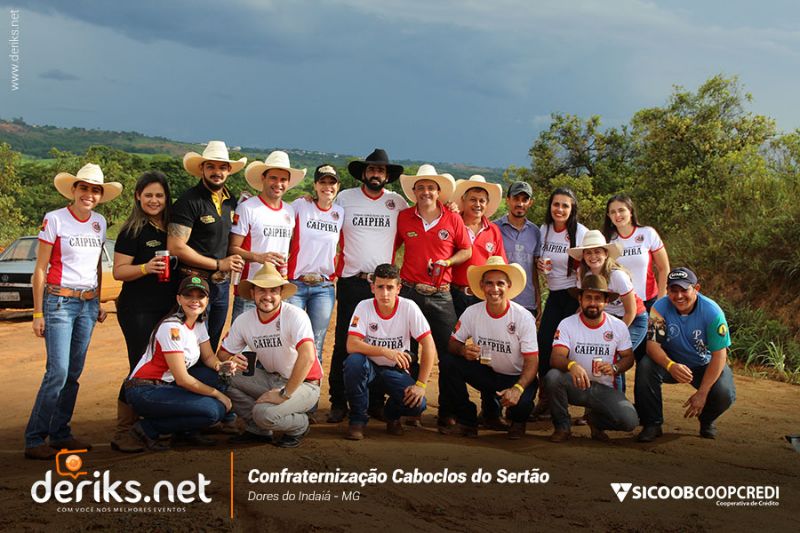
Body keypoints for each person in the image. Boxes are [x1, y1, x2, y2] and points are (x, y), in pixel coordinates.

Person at [24, 164, 122, 460]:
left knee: (74, 372)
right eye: (84, 188)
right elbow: (40, 268)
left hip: (88, 304)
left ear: (101, 195)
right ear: (74, 190)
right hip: (59, 302)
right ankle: (34, 437)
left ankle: (60, 432)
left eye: (95, 190)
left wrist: (98, 300)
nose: (89, 194)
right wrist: (37, 313)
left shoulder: (99, 222)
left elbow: (96, 265)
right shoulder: (55, 219)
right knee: (58, 371)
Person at [327, 148, 408, 423]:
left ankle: (375, 402)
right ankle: (338, 401)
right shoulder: (345, 198)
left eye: (381, 170)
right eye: (371, 169)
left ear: (387, 176)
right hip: (352, 280)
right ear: (363, 173)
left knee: (378, 340)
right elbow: (325, 216)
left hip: (383, 285)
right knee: (344, 341)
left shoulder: (396, 202)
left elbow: (413, 225)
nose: (376, 174)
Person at [126, 276, 243, 451]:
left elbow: (208, 357)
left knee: (219, 377)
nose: (195, 301)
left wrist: (221, 366)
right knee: (214, 410)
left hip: (167, 385)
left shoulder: (198, 324)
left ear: (207, 301)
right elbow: (182, 379)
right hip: (146, 390)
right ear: (179, 299)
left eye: (200, 296)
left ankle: (187, 432)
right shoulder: (172, 328)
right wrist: (219, 395)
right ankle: (147, 428)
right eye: (189, 295)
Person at [396, 165, 472, 428]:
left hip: (441, 294)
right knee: (409, 353)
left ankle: (447, 410)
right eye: (421, 187)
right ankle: (412, 409)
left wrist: (448, 262)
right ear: (414, 191)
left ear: (438, 192)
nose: (426, 192)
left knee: (448, 353)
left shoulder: (453, 218)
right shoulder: (404, 217)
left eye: (431, 187)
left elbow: (466, 250)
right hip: (409, 292)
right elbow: (392, 246)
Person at [221, 263, 323, 448]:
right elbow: (222, 354)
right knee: (223, 376)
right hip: (271, 378)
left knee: (263, 413)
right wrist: (230, 360)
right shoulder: (244, 320)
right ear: (252, 293)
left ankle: (300, 424)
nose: (267, 296)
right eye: (261, 290)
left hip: (305, 384)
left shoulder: (295, 315)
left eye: (273, 291)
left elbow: (308, 357)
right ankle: (258, 430)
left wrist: (285, 394)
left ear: (281, 293)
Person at [111, 171, 177, 453]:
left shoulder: (173, 228)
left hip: (167, 308)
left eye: (159, 195)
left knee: (161, 367)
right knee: (139, 366)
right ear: (138, 196)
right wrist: (145, 267)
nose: (154, 200)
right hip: (137, 309)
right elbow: (118, 271)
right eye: (148, 195)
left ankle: (148, 426)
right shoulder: (132, 230)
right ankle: (123, 431)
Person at [635, 268, 736, 442]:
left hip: (704, 364)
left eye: (684, 290)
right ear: (667, 291)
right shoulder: (659, 308)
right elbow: (652, 346)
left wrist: (702, 393)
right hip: (672, 362)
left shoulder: (712, 312)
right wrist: (670, 365)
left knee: (724, 393)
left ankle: (706, 419)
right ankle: (652, 423)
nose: (679, 296)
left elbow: (719, 356)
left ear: (696, 288)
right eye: (673, 290)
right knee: (645, 365)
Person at [445, 256, 539, 439]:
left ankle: (518, 421)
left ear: (508, 286)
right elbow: (452, 343)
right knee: (449, 363)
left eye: (500, 283)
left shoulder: (523, 317)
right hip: (488, 372)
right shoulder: (472, 312)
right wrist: (463, 350)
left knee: (522, 405)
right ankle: (467, 420)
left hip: (516, 376)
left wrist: (518, 388)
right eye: (489, 283)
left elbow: (532, 361)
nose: (494, 289)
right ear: (482, 286)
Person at [168, 141, 247, 351]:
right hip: (193, 282)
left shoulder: (231, 201)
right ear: (202, 168)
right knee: (189, 344)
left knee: (212, 342)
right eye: (211, 166)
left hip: (221, 285)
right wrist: (218, 264)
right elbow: (176, 246)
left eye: (222, 167)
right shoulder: (189, 201)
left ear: (229, 170)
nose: (217, 172)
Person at [343, 263, 435, 440]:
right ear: (372, 288)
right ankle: (357, 420)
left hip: (395, 370)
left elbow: (429, 345)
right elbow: (351, 345)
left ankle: (392, 416)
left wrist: (421, 385)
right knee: (353, 362)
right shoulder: (363, 306)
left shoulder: (409, 307)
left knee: (418, 404)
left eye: (390, 287)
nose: (385, 293)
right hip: (368, 367)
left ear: (398, 288)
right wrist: (385, 351)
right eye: (380, 287)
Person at [544, 274, 639, 442]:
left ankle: (595, 421)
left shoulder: (618, 326)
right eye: (588, 297)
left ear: (606, 301)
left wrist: (615, 367)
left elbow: (628, 358)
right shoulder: (567, 324)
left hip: (604, 388)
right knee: (553, 377)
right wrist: (572, 365)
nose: (593, 303)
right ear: (580, 299)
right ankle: (562, 427)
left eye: (598, 298)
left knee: (629, 421)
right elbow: (556, 357)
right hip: (575, 385)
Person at [229, 150, 305, 320]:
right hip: (251, 288)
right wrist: (258, 257)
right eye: (273, 178)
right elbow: (232, 248)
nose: (278, 184)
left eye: (283, 179)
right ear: (263, 178)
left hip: (278, 289)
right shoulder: (247, 208)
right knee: (242, 336)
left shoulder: (289, 210)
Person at [533, 187, 588, 419]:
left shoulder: (581, 232)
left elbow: (591, 265)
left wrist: (584, 301)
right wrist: (540, 265)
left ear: (572, 208)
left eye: (565, 205)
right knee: (544, 344)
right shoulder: (544, 229)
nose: (560, 209)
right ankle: (546, 397)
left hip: (574, 295)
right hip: (555, 294)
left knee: (574, 348)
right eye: (556, 204)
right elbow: (540, 259)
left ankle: (589, 405)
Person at [569, 229, 648, 388]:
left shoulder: (617, 276)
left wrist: (617, 335)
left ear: (606, 254)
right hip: (608, 318)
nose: (593, 256)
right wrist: (572, 325)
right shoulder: (583, 273)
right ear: (583, 256)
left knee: (614, 356)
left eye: (597, 252)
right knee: (602, 354)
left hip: (634, 319)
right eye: (588, 252)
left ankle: (617, 399)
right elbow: (584, 305)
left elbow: (631, 311)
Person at [285, 164, 344, 362]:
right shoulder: (301, 205)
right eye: (322, 182)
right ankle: (287, 380)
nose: (327, 186)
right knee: (291, 340)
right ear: (315, 185)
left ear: (338, 186)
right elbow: (279, 218)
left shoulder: (340, 212)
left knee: (316, 342)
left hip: (323, 287)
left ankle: (313, 381)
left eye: (332, 182)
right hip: (296, 283)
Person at [602, 194, 670, 361]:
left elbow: (664, 268)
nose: (617, 215)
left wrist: (661, 301)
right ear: (608, 216)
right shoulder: (607, 240)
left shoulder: (648, 233)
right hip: (622, 306)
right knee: (620, 354)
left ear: (631, 211)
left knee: (655, 354)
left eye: (621, 210)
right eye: (612, 212)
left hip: (651, 302)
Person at [450, 175, 507, 318]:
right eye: (473, 199)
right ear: (463, 200)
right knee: (453, 332)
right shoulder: (452, 223)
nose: (477, 204)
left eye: (482, 201)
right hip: (453, 294)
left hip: (483, 296)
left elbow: (501, 265)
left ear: (487, 204)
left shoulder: (493, 230)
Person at [495, 181, 542, 321]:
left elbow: (533, 269)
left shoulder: (535, 232)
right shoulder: (494, 228)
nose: (520, 204)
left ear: (530, 203)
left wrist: (538, 298)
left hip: (528, 302)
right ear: (508, 199)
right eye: (516, 198)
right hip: (500, 300)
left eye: (525, 199)